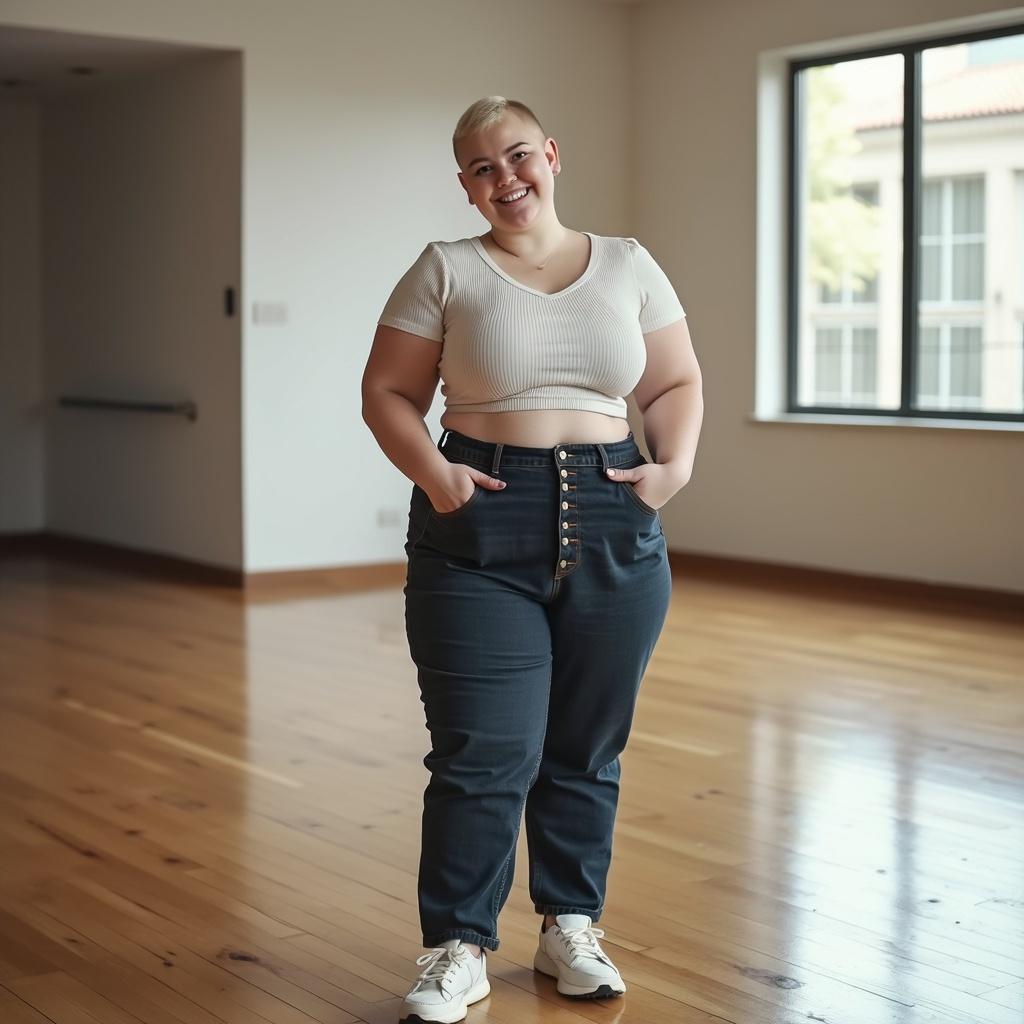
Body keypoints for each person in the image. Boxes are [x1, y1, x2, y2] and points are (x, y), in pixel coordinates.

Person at [361, 95, 703, 1024]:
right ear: (466, 186)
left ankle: (570, 925)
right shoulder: (446, 270)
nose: (505, 178)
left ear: (550, 153)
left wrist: (672, 467)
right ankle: (458, 946)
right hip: (479, 519)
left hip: (613, 513)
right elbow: (388, 392)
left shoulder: (628, 264)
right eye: (482, 168)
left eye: (518, 156)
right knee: (483, 750)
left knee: (586, 747)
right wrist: (438, 478)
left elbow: (671, 380)